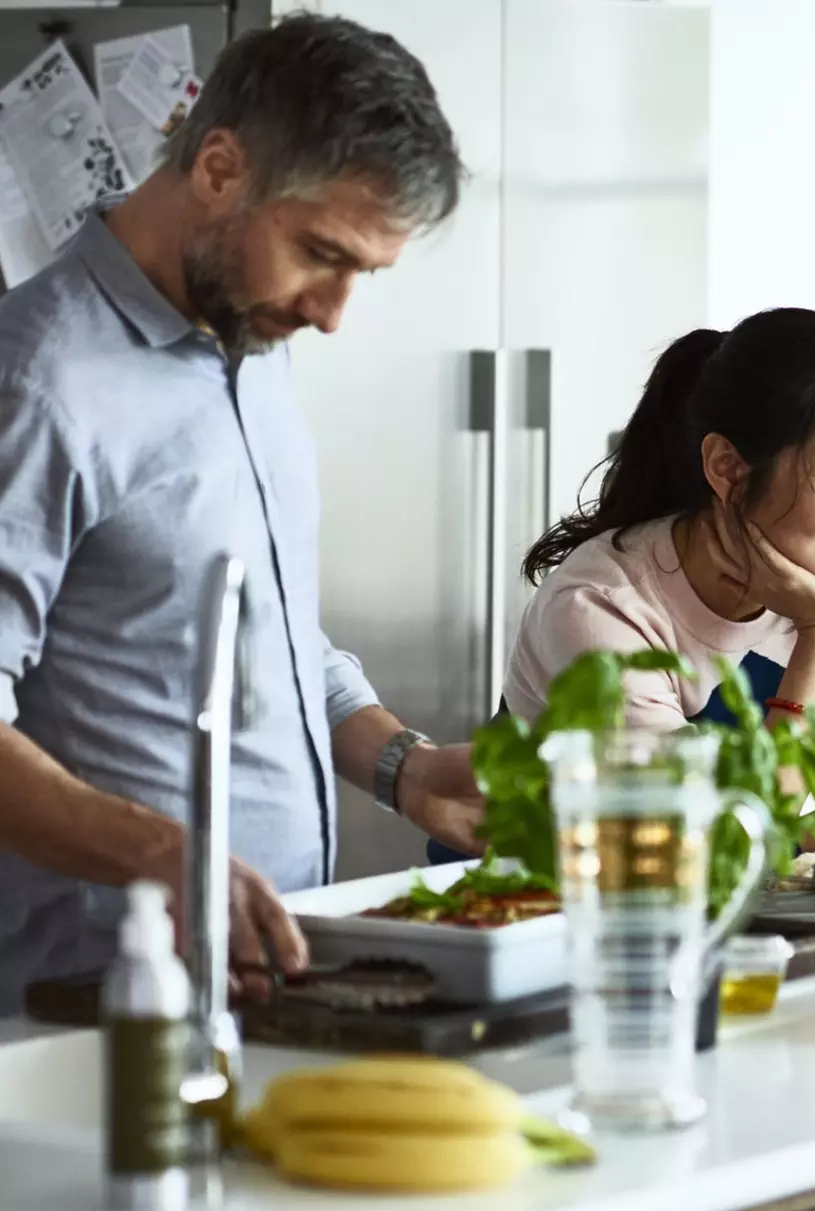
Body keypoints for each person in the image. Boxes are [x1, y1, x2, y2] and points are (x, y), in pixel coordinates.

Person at [0, 15, 480, 1015]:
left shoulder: (250, 340)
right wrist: (163, 855)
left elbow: (263, 628)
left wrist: (406, 767)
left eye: (364, 275)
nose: (334, 312)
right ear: (219, 168)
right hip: (92, 1005)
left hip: (274, 970)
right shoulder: (38, 382)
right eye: (322, 254)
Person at [506, 308, 815, 845]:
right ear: (728, 468)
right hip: (528, 913)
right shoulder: (601, 609)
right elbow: (710, 845)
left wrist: (776, 838)